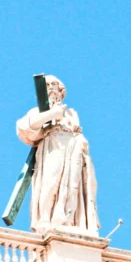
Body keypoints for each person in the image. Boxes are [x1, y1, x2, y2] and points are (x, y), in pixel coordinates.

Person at [15, 75, 99, 235]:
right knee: (51, 181)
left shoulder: (71, 114)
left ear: (61, 91)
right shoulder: (39, 111)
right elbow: (25, 127)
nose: (51, 88)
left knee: (73, 185)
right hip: (53, 145)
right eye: (47, 85)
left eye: (54, 84)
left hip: (74, 148)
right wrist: (52, 114)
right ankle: (46, 218)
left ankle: (68, 219)